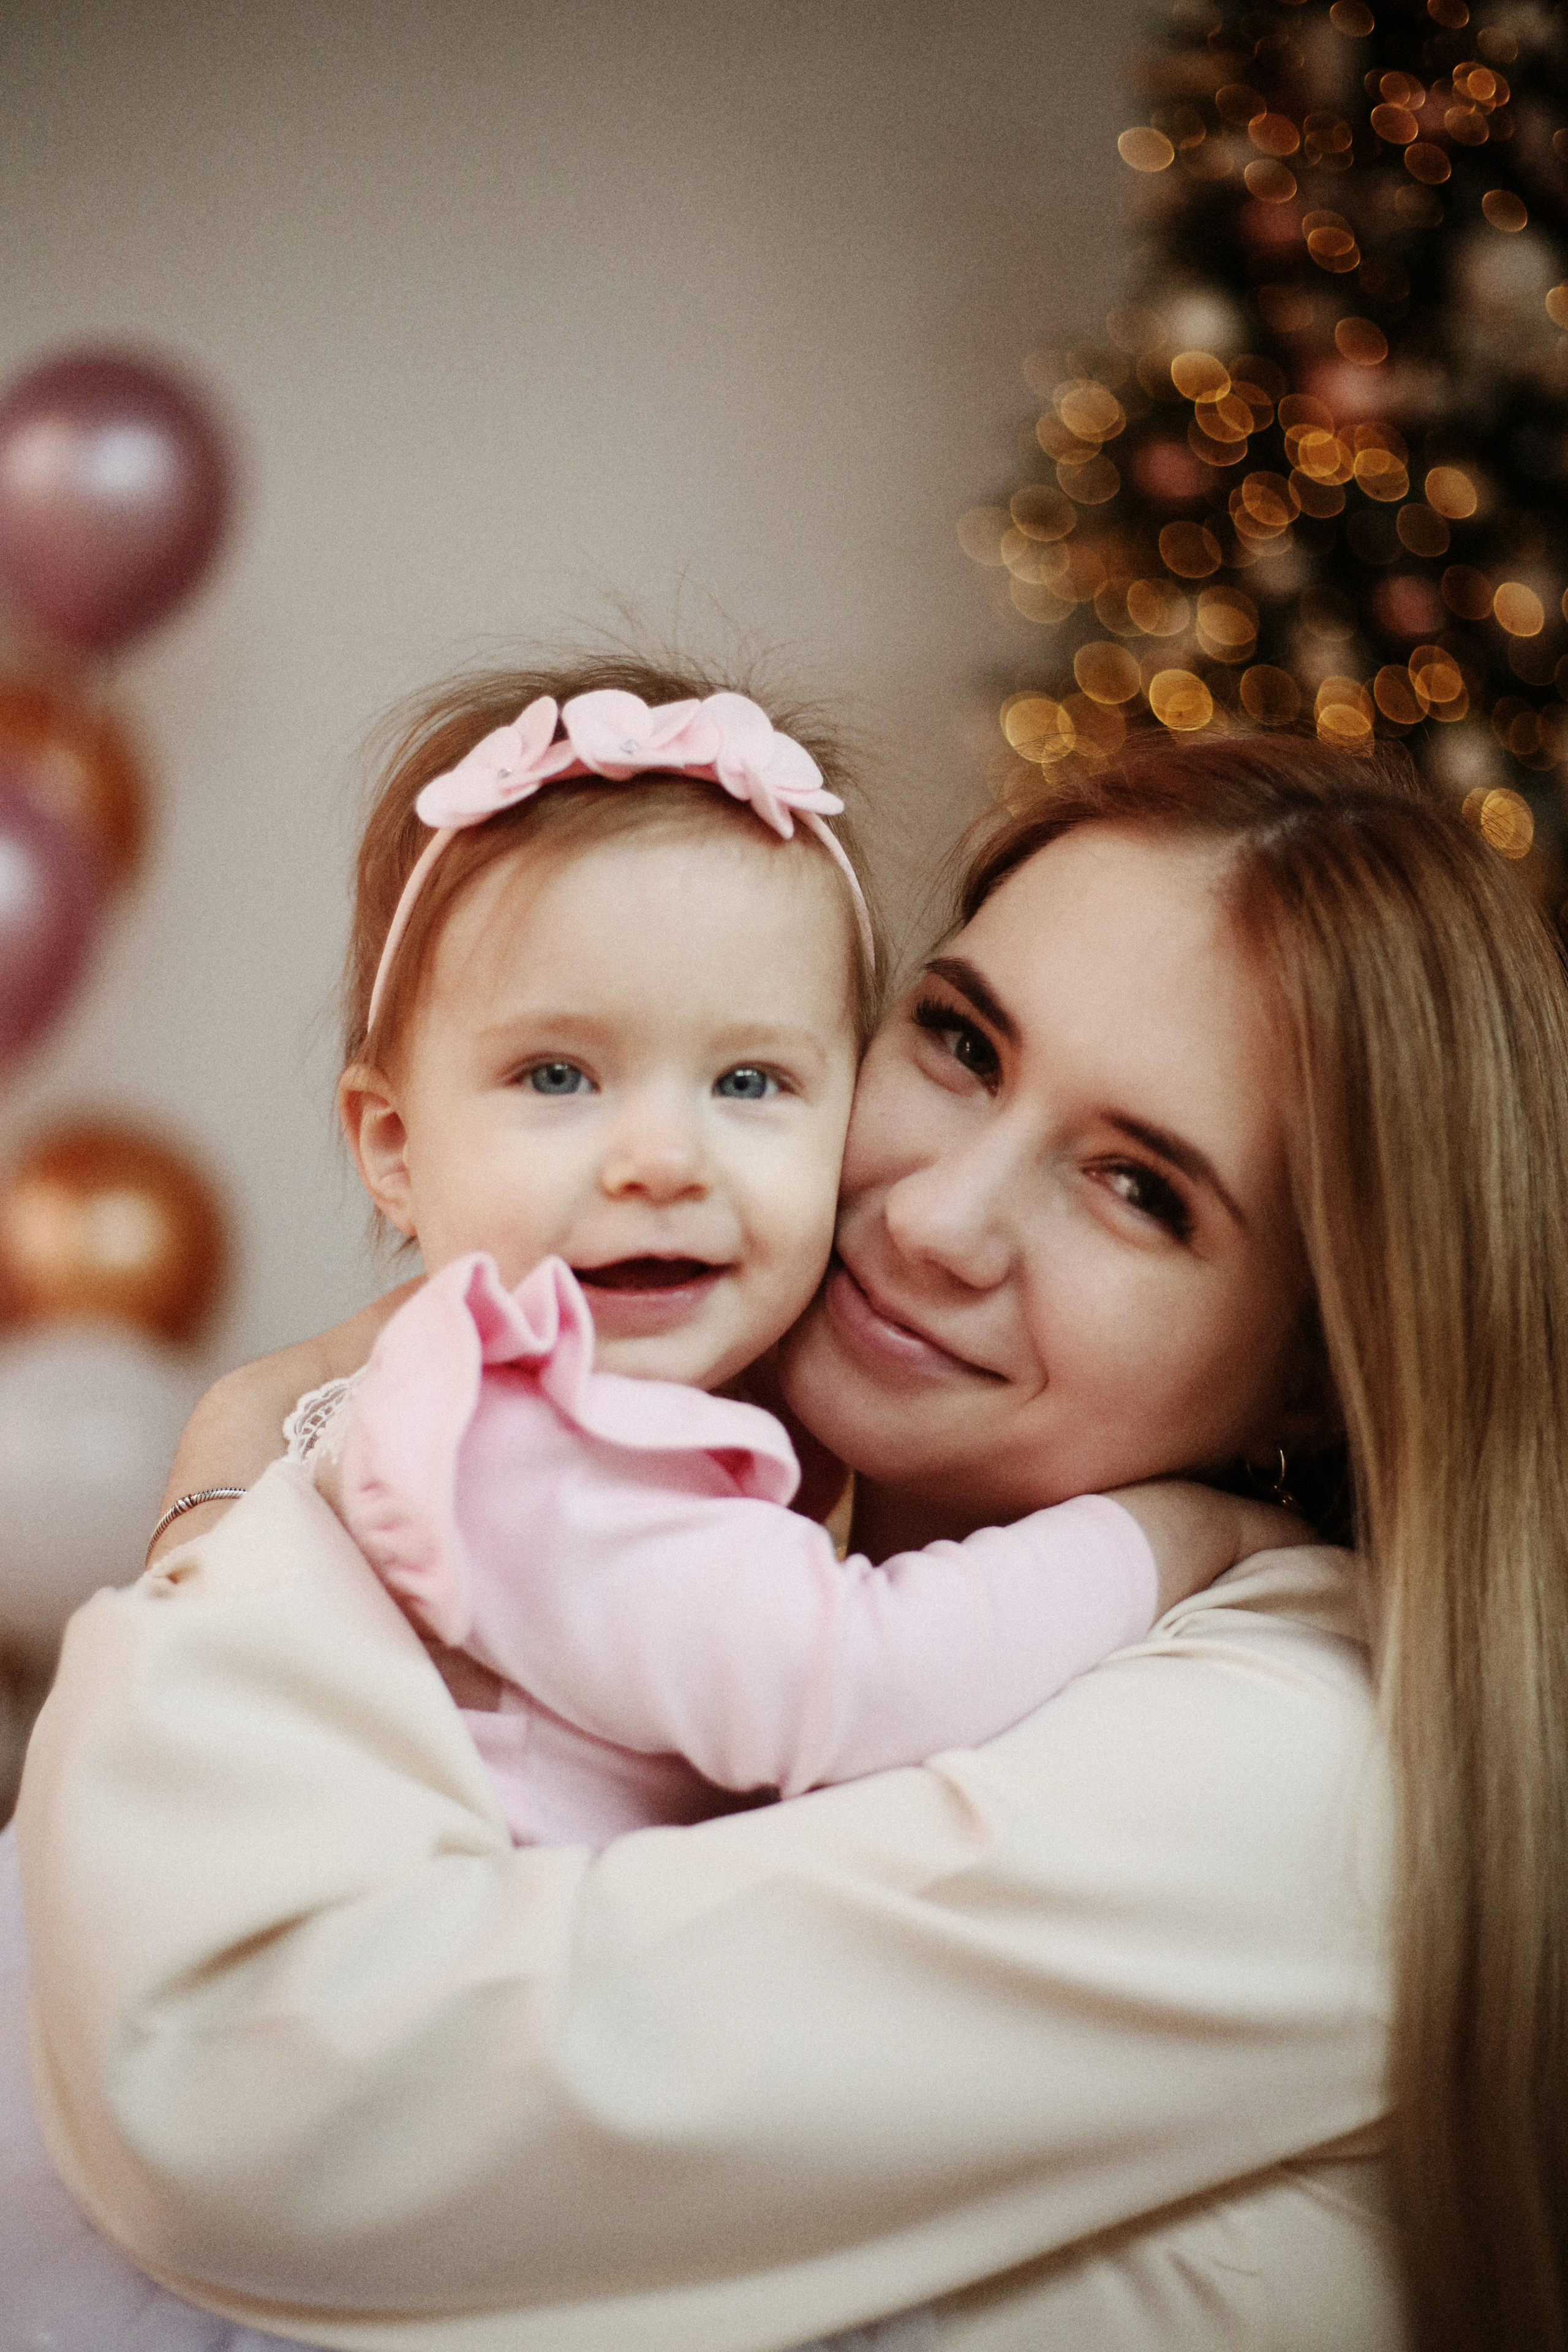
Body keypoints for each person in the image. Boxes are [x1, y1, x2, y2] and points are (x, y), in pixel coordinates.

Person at [17, 731, 1568, 2350]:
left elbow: (236, 2099)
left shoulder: (1315, 1762)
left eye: (1138, 1187)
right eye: (962, 1044)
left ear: (1326, 1364)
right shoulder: (692, 1522)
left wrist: (243, 1465)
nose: (932, 1217)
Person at [285, 660, 1286, 1846]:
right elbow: (853, 1681)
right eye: (557, 1075)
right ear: (393, 1145)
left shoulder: (1273, 1728)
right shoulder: (520, 1444)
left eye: (747, 1080)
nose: (660, 1161)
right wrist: (1178, 1535)